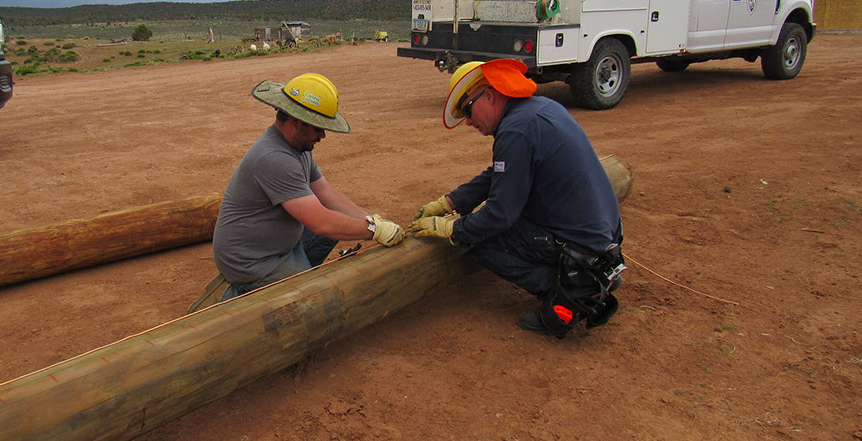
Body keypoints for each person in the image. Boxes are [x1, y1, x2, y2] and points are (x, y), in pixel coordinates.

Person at [409, 59, 625, 338]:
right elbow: (501, 173)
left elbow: (500, 215)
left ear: (489, 94)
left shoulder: (515, 130)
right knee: (485, 222)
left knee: (477, 237)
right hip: (601, 238)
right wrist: (450, 202)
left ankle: (570, 292)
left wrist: (453, 228)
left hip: (579, 246)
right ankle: (586, 275)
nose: (468, 121)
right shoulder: (538, 110)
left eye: (467, 110)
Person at [212, 72, 405, 302]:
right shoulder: (275, 158)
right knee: (321, 302)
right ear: (296, 121)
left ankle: (295, 276)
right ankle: (248, 291)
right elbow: (321, 223)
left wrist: (373, 221)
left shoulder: (298, 147)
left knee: (338, 224)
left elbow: (326, 194)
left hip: (276, 246)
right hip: (253, 261)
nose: (323, 135)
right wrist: (373, 231)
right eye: (317, 127)